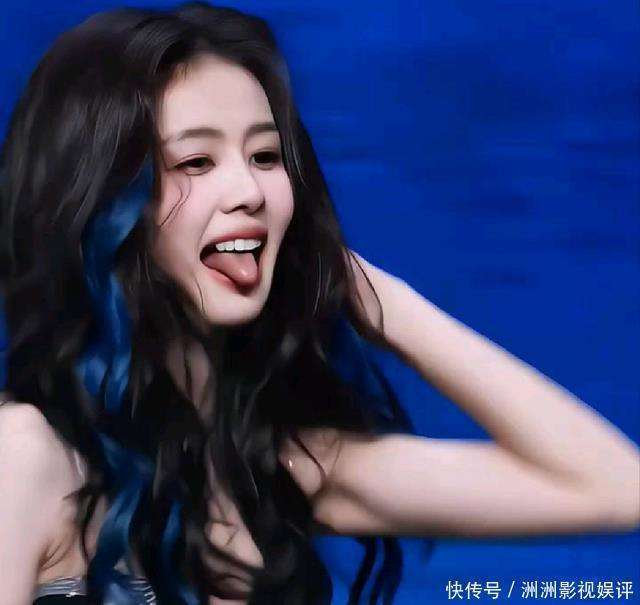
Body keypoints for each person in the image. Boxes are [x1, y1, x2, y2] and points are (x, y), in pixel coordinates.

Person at [0, 2, 638, 604]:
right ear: (98, 201)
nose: (249, 190)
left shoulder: (282, 468)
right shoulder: (26, 454)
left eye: (265, 155)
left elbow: (615, 488)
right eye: (195, 161)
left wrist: (380, 301)